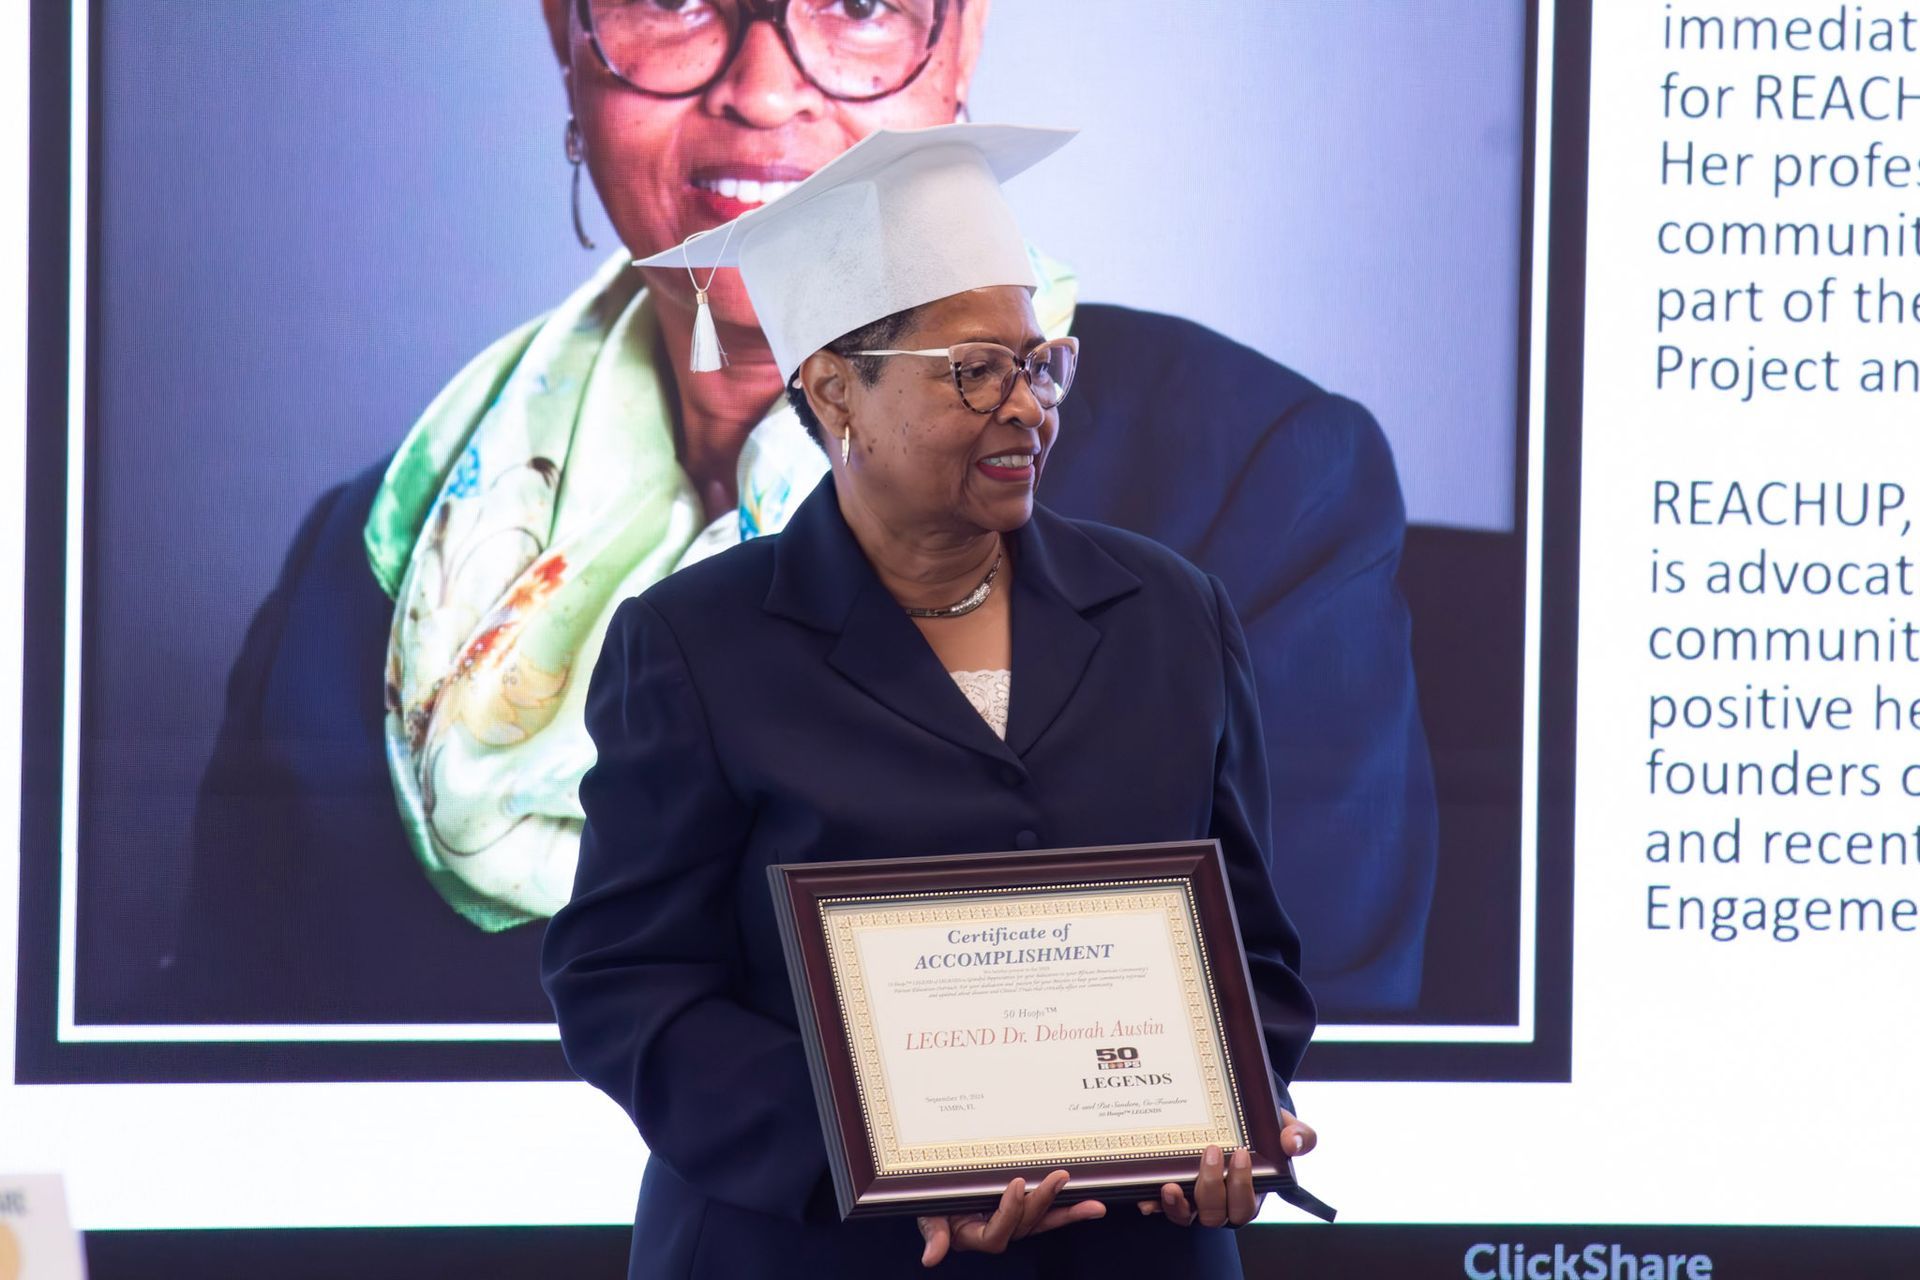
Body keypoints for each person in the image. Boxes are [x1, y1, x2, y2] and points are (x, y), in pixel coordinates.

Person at [166, 0, 1434, 1025]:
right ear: (565, 34)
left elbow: (1308, 1059)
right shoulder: (379, 557)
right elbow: (231, 1070)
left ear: (961, 49)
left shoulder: (1251, 485)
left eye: (862, 4)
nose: (765, 89)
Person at [543, 122, 1320, 1280]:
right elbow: (631, 984)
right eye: (975, 368)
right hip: (807, 1248)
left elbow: (1248, 948)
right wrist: (867, 1164)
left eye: (1039, 361)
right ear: (834, 389)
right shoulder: (695, 643)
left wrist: (1238, 1109)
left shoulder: (1170, 611)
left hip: (1133, 1254)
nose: (1027, 405)